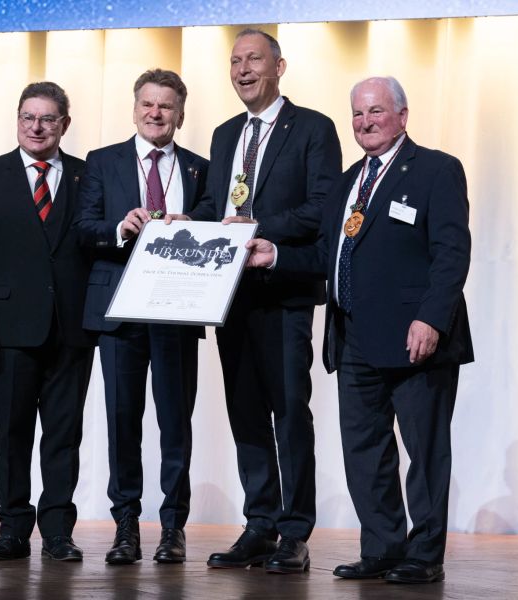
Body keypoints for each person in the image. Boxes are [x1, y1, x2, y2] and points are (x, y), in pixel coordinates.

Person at [246, 76, 474, 584]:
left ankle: (425, 553)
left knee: (424, 451)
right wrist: (276, 254)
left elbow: (452, 253)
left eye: (375, 112)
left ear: (402, 115)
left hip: (417, 340)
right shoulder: (349, 181)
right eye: (357, 114)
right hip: (353, 341)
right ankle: (383, 547)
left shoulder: (436, 170)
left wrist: (432, 318)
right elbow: (328, 255)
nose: (365, 122)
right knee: (365, 451)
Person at [174, 29, 342, 574]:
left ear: (280, 67)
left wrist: (256, 227)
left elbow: (322, 208)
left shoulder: (313, 129)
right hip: (229, 297)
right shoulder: (225, 135)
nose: (243, 70)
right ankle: (260, 524)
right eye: (235, 61)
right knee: (245, 412)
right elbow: (212, 205)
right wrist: (185, 222)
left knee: (290, 412)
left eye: (254, 60)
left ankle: (295, 531)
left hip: (284, 294)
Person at [0, 81, 95, 561]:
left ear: (64, 125)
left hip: (73, 328)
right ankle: (13, 528)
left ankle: (57, 531)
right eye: (28, 117)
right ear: (17, 120)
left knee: (63, 433)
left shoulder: (86, 175)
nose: (37, 127)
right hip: (8, 329)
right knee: (11, 432)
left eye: (48, 118)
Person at [75, 69, 208, 565]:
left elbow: (218, 221)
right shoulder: (102, 161)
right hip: (119, 315)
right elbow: (83, 229)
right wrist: (118, 228)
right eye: (148, 104)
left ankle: (173, 528)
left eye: (166, 106)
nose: (156, 113)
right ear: (135, 108)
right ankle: (126, 526)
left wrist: (195, 225)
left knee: (176, 423)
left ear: (180, 114)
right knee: (122, 422)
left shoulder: (199, 169)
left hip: (176, 311)